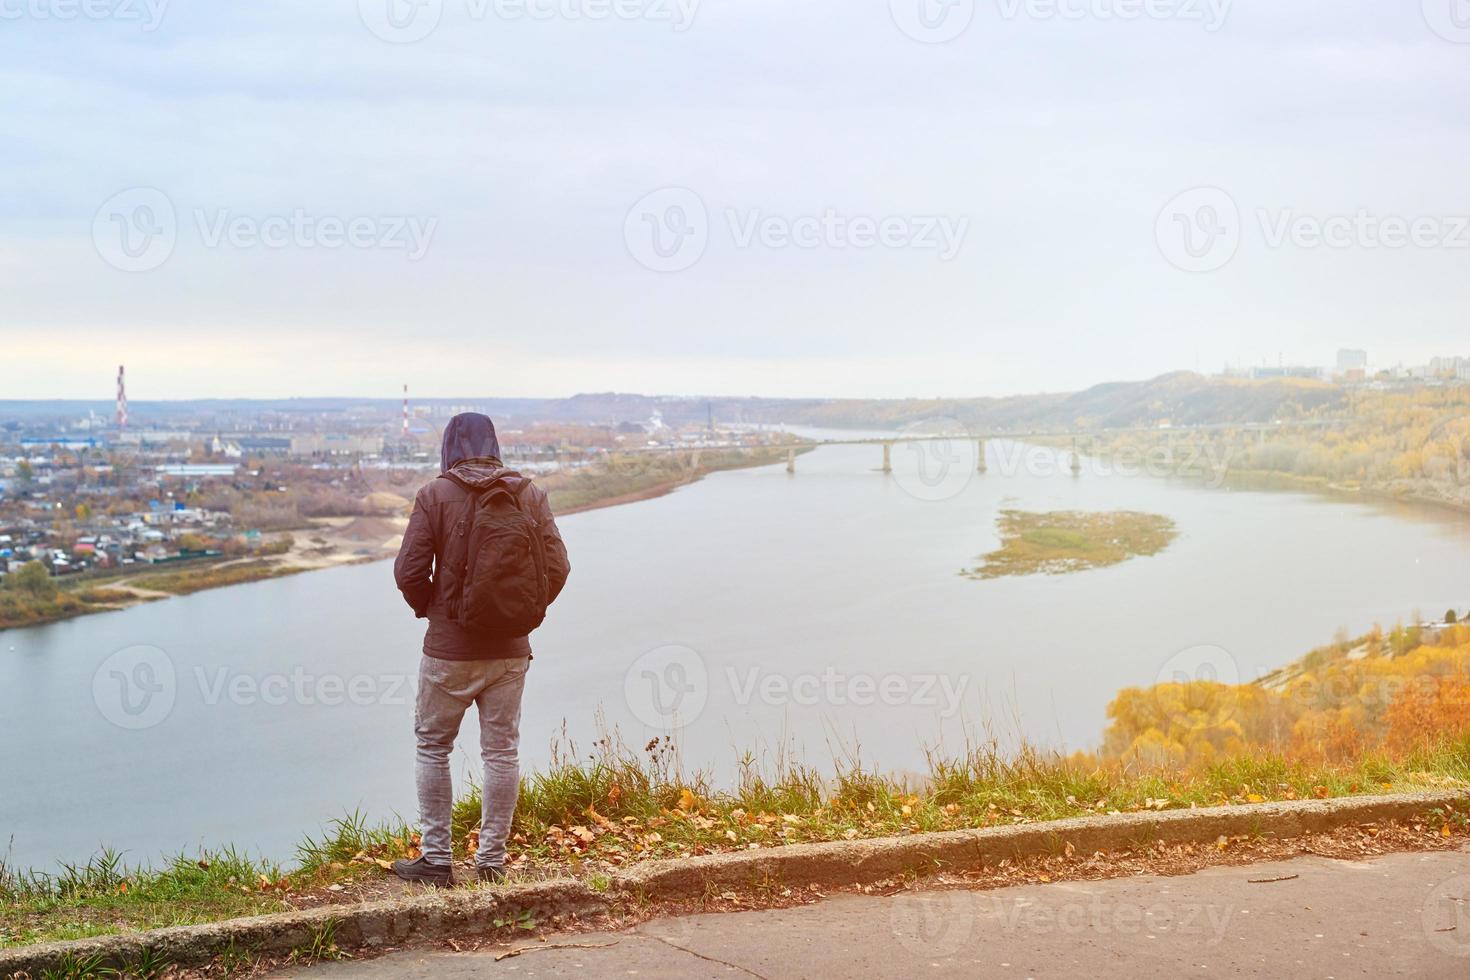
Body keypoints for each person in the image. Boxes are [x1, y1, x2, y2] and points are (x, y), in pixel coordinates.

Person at [390, 413, 570, 885]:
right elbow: (559, 567)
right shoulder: (528, 493)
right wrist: (524, 613)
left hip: (449, 651)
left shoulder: (434, 495)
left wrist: (433, 610)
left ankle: (437, 861)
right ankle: (491, 862)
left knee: (433, 747)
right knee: (501, 752)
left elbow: (408, 573)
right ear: (495, 444)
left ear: (449, 447)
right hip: (511, 651)